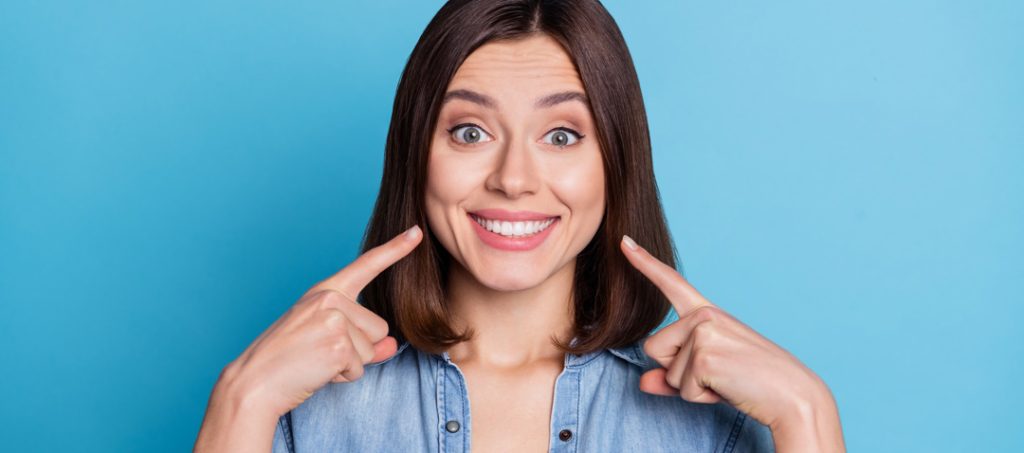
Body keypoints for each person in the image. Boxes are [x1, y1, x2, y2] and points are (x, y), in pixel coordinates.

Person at [193, 1, 846, 452]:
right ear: (416, 155)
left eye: (562, 134)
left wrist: (807, 413)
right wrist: (241, 400)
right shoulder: (303, 415)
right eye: (470, 131)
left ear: (614, 165)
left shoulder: (715, 428)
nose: (514, 177)